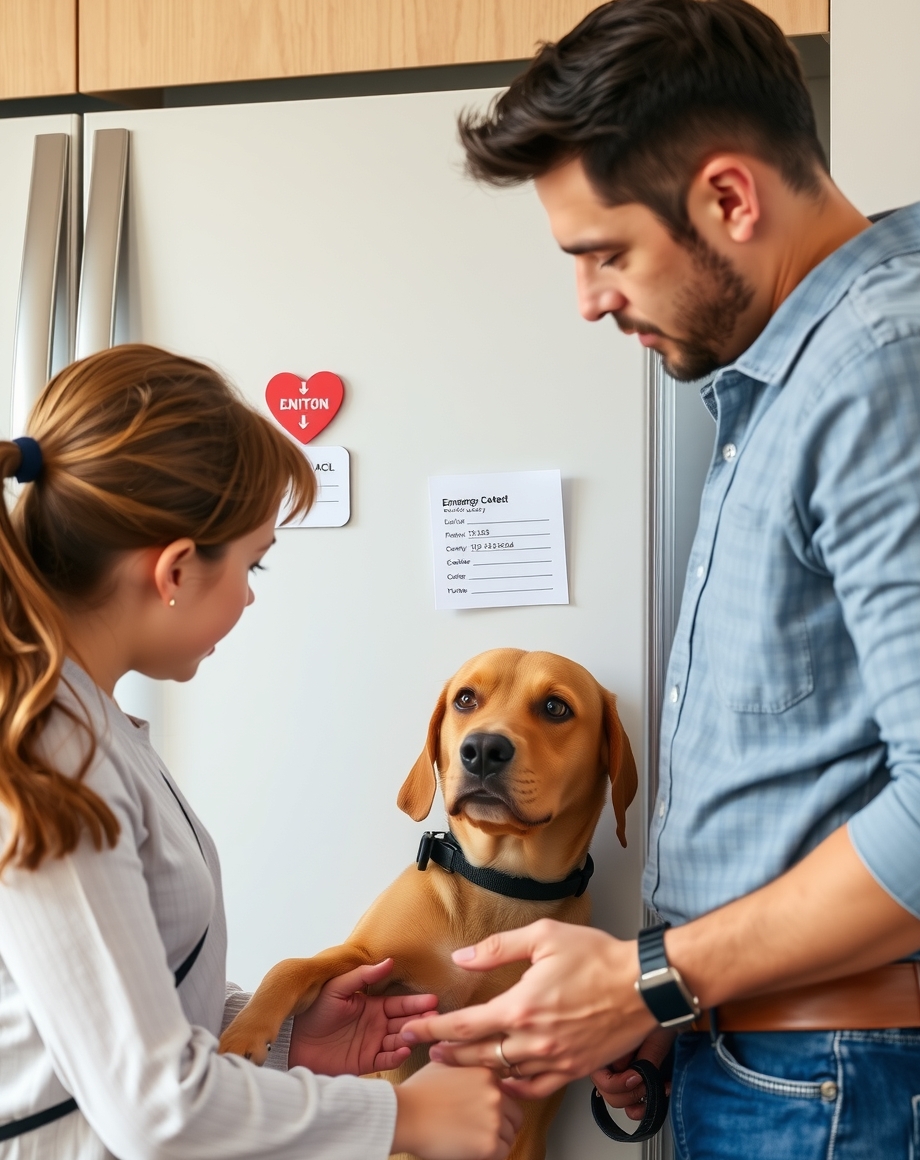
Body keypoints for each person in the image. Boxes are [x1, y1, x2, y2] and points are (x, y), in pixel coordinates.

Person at [399, 0, 920, 1155]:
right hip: (767, 1062)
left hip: (830, 1075)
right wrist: (661, 1008)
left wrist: (651, 976)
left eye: (603, 252)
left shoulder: (883, 367)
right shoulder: (788, 376)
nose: (587, 299)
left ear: (728, 199)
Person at [0, 344, 522, 1160]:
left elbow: (111, 1013)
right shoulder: (53, 759)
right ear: (175, 569)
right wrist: (407, 1119)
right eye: (254, 562)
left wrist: (281, 1042)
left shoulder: (86, 728)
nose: (249, 593)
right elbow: (154, 1109)